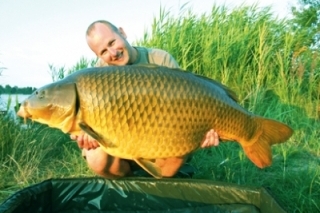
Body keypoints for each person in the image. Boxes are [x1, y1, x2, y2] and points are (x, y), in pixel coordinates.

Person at [70, 20, 220, 178]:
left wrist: (201, 132)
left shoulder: (160, 59)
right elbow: (78, 122)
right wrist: (84, 133)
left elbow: (186, 105)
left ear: (122, 32)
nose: (113, 53)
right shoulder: (97, 76)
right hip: (120, 146)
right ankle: (131, 185)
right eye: (104, 52)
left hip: (161, 139)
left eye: (112, 42)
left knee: (179, 141)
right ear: (97, 55)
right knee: (95, 157)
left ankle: (160, 180)